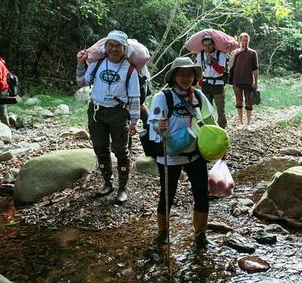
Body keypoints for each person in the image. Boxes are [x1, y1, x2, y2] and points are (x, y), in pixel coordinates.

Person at [147, 57, 217, 248]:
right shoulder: (163, 97)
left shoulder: (199, 97)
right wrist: (159, 125)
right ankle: (163, 234)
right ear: (174, 76)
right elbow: (153, 123)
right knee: (167, 196)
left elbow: (211, 123)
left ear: (194, 76)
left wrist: (219, 145)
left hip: (195, 154)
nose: (186, 78)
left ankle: (200, 235)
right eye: (181, 74)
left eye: (189, 74)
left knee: (202, 194)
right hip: (169, 156)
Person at [76, 30, 140, 204]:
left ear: (124, 48)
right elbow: (82, 82)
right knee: (100, 148)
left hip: (118, 113)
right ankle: (107, 183)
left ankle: (122, 187)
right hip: (96, 112)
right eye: (110, 45)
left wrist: (134, 121)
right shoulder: (97, 64)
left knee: (121, 150)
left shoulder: (130, 70)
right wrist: (80, 64)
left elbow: (135, 97)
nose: (113, 49)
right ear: (105, 47)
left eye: (117, 46)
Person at [195, 34, 227, 128]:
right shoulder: (200, 55)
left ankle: (222, 128)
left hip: (218, 84)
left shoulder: (221, 54)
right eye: (205, 45)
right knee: (206, 110)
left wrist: (212, 60)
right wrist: (199, 81)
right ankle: (209, 128)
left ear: (213, 44)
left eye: (209, 45)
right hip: (205, 84)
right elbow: (199, 69)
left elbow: (221, 70)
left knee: (220, 110)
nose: (207, 47)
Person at [229, 33, 259, 126]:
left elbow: (255, 69)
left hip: (248, 81)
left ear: (249, 41)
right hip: (236, 81)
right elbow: (230, 66)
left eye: (246, 40)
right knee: (238, 102)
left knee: (249, 103)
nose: (245, 42)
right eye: (243, 40)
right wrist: (236, 53)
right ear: (240, 40)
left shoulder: (253, 53)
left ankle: (248, 123)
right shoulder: (235, 52)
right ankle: (240, 122)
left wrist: (256, 82)